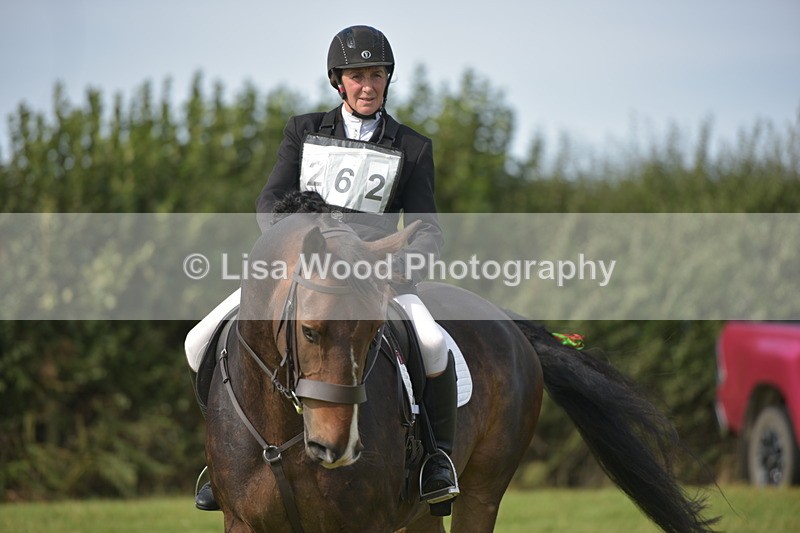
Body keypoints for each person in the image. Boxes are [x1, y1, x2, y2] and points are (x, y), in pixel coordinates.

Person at [190, 25, 459, 516]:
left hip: (374, 276)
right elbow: (270, 201)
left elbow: (428, 231)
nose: (367, 86)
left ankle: (435, 460)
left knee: (432, 343)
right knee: (198, 341)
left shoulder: (413, 146)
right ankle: (221, 458)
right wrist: (290, 247)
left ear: (387, 79)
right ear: (339, 82)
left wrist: (398, 267)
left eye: (376, 75)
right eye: (357, 76)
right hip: (304, 274)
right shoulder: (303, 131)